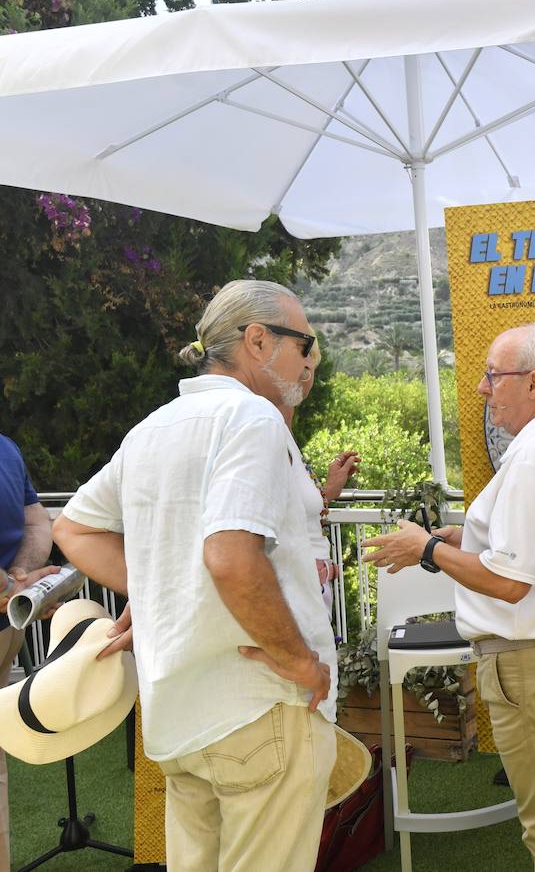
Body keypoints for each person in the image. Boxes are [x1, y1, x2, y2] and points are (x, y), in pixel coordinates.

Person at [52, 280, 337, 872]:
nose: (309, 358)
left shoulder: (153, 427)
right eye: (304, 342)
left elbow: (73, 529)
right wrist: (301, 662)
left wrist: (159, 587)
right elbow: (231, 556)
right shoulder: (253, 418)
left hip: (178, 718)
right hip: (260, 709)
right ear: (257, 340)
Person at [362, 323, 535, 872]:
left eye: (493, 376)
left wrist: (427, 547)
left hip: (534, 662)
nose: (481, 388)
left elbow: (509, 582)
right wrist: (460, 540)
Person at [0, 434, 60, 871]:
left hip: (7, 626)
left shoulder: (7, 446)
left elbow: (38, 523)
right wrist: (13, 588)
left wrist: (21, 582)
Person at [272, 337, 360, 613]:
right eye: (305, 359)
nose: (309, 371)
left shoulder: (282, 432)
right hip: (294, 599)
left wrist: (327, 492)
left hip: (311, 592)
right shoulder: (266, 430)